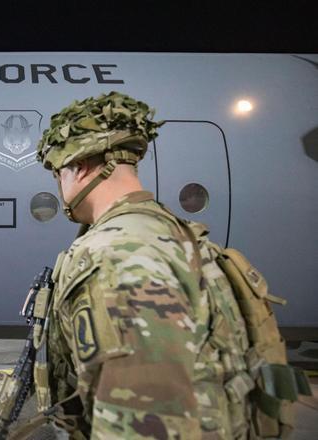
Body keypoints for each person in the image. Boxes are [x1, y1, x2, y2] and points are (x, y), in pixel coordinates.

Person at [32, 92, 255, 438]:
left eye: (58, 173)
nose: (60, 186)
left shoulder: (115, 257)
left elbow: (146, 423)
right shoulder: (170, 231)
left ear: (80, 167)